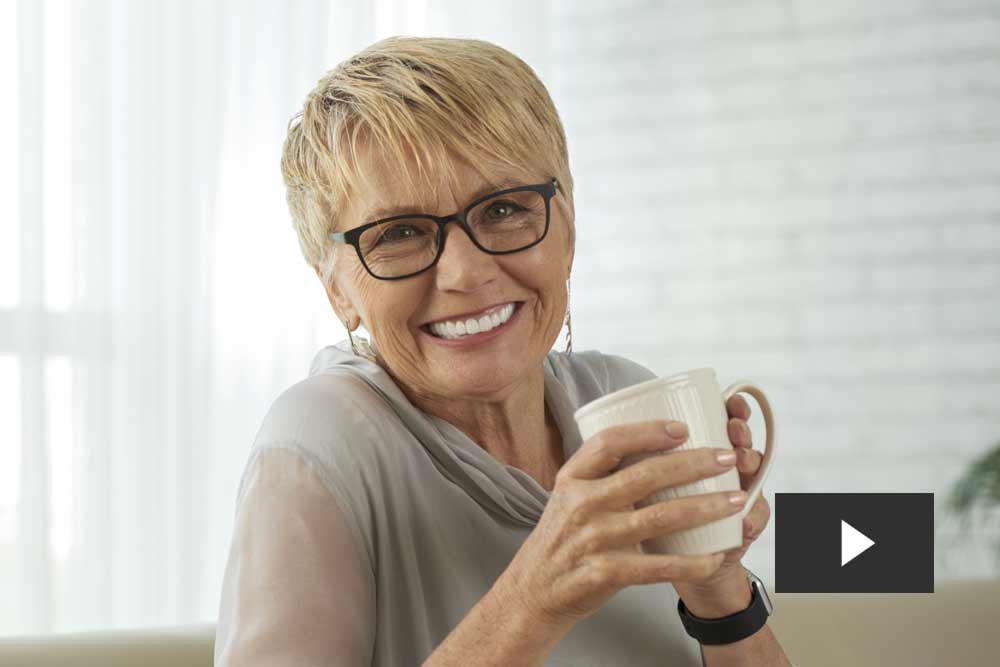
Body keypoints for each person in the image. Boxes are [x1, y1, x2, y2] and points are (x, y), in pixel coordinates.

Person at [214, 35, 790, 666]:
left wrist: (717, 585)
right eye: (399, 233)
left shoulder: (621, 398)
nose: (464, 272)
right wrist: (532, 597)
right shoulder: (315, 449)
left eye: (504, 209)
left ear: (566, 232)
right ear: (339, 293)